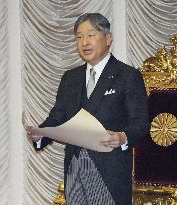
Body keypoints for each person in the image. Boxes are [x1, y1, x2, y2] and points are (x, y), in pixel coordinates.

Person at [27, 13, 149, 205]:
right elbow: (58, 116)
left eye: (91, 35)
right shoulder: (70, 78)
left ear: (108, 39)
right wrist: (41, 133)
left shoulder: (127, 75)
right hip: (75, 170)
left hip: (110, 171)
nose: (84, 42)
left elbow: (140, 122)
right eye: (79, 36)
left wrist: (122, 137)